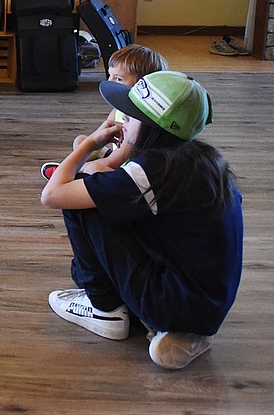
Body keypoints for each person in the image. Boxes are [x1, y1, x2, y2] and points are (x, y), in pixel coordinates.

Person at [40, 71, 243, 370]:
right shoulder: (199, 161)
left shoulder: (150, 171)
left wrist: (89, 144)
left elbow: (53, 194)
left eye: (131, 118)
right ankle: (182, 332)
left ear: (152, 129)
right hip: (207, 305)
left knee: (82, 201)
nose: (122, 122)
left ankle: (105, 308)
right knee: (100, 192)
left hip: (171, 301)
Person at [40, 44, 168, 180]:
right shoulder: (118, 109)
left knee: (95, 168)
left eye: (118, 79)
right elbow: (98, 137)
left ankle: (70, 174)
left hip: (131, 170)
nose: (110, 82)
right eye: (110, 76)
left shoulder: (138, 121)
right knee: (81, 140)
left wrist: (69, 169)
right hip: (118, 156)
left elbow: (113, 161)